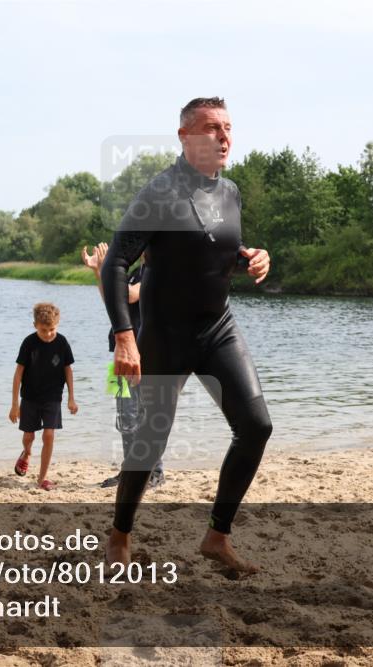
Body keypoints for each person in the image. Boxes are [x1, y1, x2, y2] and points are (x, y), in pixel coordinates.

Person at [100, 97, 272, 572]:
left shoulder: (231, 192)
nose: (224, 137)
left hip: (218, 327)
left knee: (256, 427)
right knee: (151, 438)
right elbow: (116, 262)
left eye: (228, 128)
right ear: (185, 136)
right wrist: (123, 336)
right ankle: (120, 533)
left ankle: (217, 536)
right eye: (212, 127)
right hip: (167, 333)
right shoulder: (160, 193)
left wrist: (251, 257)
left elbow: (218, 249)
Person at [81, 243, 165, 489]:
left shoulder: (159, 272)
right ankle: (129, 471)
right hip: (119, 353)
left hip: (145, 354)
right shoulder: (135, 272)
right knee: (124, 416)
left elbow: (128, 295)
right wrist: (99, 271)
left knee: (145, 416)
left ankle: (154, 473)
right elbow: (111, 300)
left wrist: (108, 267)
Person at [8, 302, 78, 491]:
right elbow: (18, 374)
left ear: (58, 324)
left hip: (53, 397)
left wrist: (72, 397)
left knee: (48, 435)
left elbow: (68, 370)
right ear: (35, 325)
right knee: (29, 436)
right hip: (30, 397)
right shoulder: (29, 343)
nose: (48, 334)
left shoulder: (62, 342)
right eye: (43, 330)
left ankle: (42, 478)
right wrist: (14, 405)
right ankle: (27, 453)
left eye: (52, 329)